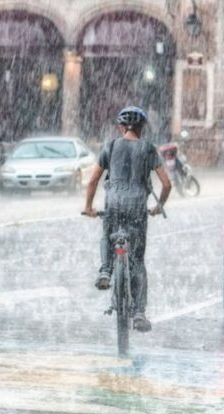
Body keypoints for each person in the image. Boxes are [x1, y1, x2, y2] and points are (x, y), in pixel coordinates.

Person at [82, 106, 172, 332]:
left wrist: (88, 207)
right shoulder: (148, 149)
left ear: (121, 127)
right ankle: (139, 312)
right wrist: (158, 206)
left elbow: (93, 181)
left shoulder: (111, 146)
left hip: (113, 204)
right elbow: (167, 184)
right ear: (142, 128)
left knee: (107, 234)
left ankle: (105, 270)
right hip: (137, 208)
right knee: (137, 261)